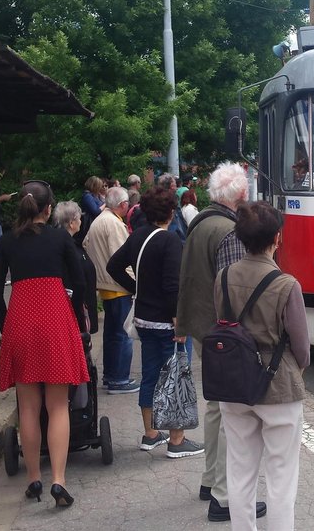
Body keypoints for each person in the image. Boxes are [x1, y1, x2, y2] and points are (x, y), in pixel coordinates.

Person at [0, 180, 88, 508]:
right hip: (56, 321)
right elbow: (80, 281)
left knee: (27, 407)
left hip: (20, 322)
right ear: (49, 209)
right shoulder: (61, 238)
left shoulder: (6, 241)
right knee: (57, 406)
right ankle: (58, 480)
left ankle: (34, 477)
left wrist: (8, 328)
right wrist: (76, 320)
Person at [176, 163, 261, 523]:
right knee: (231, 414)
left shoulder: (201, 224)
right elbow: (233, 289)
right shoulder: (229, 232)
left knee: (216, 407)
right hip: (223, 333)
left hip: (201, 327)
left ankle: (211, 481)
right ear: (241, 197)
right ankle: (225, 498)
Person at [217, 201, 309, 531]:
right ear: (277, 238)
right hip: (279, 386)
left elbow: (223, 323)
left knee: (240, 470)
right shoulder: (287, 285)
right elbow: (301, 346)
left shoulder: (224, 277)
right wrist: (298, 369)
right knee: (281, 476)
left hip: (234, 384)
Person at [107, 186, 205, 457]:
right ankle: (177, 440)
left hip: (143, 319)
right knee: (174, 378)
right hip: (166, 322)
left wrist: (135, 287)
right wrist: (179, 322)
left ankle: (150, 434)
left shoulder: (138, 235)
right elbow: (172, 286)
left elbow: (113, 265)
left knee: (150, 375)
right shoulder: (170, 240)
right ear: (171, 212)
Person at [83, 186, 139, 394]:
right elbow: (121, 258)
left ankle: (111, 375)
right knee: (123, 334)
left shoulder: (99, 220)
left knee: (112, 334)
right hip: (118, 286)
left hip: (105, 284)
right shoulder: (114, 224)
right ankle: (119, 379)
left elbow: (86, 244)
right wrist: (134, 284)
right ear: (123, 205)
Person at [51, 201, 99, 335]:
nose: (81, 221)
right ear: (71, 223)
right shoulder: (67, 247)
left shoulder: (70, 244)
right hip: (75, 310)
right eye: (79, 218)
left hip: (77, 307)